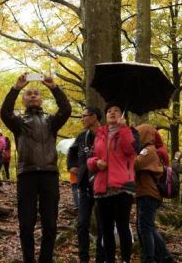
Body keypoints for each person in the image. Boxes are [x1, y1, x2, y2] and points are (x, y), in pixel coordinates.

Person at [0, 73, 72, 263]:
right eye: (29, 93)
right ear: (23, 100)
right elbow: (5, 113)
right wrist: (16, 88)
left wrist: (53, 87)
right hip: (27, 176)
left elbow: (66, 109)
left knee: (50, 224)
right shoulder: (18, 122)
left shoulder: (51, 121)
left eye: (36, 93)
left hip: (49, 175)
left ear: (41, 100)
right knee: (26, 224)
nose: (33, 95)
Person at [87, 103, 137, 263]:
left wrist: (124, 129)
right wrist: (96, 163)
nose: (112, 113)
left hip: (122, 187)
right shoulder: (100, 134)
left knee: (122, 226)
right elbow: (90, 158)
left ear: (122, 115)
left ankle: (125, 260)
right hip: (102, 188)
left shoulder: (129, 132)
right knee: (106, 229)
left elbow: (130, 150)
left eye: (116, 110)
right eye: (109, 111)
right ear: (106, 116)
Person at [67, 106, 105, 263]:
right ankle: (84, 259)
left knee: (103, 225)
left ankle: (100, 258)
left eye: (84, 116)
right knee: (82, 224)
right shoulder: (82, 135)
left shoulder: (106, 134)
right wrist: (71, 166)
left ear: (94, 116)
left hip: (103, 186)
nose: (82, 119)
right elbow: (72, 152)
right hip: (84, 186)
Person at [135, 124, 173, 263]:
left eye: (137, 135)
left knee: (145, 228)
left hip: (148, 193)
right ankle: (165, 257)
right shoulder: (149, 150)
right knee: (148, 227)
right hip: (147, 193)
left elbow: (135, 164)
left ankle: (150, 258)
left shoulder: (148, 150)